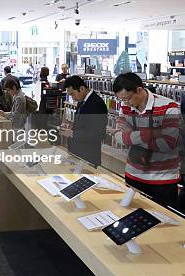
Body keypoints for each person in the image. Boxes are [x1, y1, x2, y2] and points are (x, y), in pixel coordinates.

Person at [113, 72, 182, 209]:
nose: (125, 103)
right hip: (132, 175)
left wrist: (132, 136)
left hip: (162, 180)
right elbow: (118, 136)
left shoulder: (169, 107)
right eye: (122, 100)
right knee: (130, 219)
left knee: (163, 225)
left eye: (127, 98)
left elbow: (167, 144)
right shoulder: (126, 107)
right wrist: (152, 133)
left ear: (139, 90)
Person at [64, 76, 108, 166]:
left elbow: (99, 134)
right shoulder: (82, 100)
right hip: (77, 153)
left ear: (82, 88)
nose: (72, 98)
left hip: (88, 156)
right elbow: (84, 124)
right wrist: (71, 127)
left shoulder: (97, 104)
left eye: (72, 94)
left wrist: (73, 134)